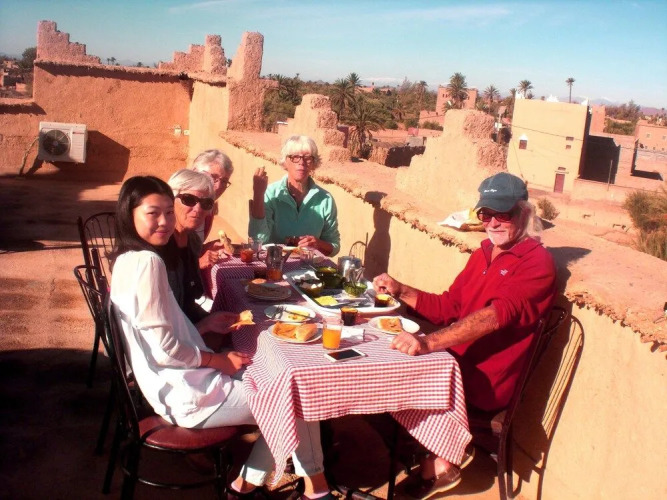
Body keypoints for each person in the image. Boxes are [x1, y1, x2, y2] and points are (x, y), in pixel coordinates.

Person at [109, 176, 333, 499]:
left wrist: (203, 328)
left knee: (283, 384)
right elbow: (164, 349)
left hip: (168, 382)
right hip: (185, 394)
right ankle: (309, 489)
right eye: (153, 213)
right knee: (296, 398)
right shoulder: (149, 262)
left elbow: (158, 332)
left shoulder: (125, 259)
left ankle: (251, 485)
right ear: (129, 214)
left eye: (169, 212)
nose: (165, 222)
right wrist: (218, 360)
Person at [372, 172, 557, 498]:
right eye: (485, 214)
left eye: (503, 214)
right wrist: (401, 290)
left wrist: (427, 342)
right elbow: (450, 306)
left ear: (524, 213)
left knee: (391, 376)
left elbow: (495, 316)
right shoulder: (483, 252)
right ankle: (429, 449)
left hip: (485, 379)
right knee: (379, 359)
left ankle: (438, 460)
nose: (493, 223)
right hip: (456, 361)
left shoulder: (536, 263)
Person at [249, 135, 340, 256]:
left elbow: (334, 246)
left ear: (313, 163)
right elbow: (258, 239)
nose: (302, 162)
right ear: (285, 161)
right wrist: (258, 194)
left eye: (308, 158)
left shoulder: (325, 199)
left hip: (309, 264)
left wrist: (318, 244)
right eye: (295, 157)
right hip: (275, 263)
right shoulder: (271, 193)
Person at [189, 149, 234, 268]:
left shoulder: (208, 208)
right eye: (213, 177)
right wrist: (198, 264)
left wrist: (207, 248)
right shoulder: (177, 207)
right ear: (195, 172)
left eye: (224, 181)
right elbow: (163, 261)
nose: (218, 186)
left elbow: (188, 251)